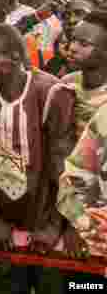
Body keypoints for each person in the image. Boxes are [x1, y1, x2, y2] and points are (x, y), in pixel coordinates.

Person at [0, 24, 76, 292]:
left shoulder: (50, 92)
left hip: (46, 215)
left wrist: (55, 225)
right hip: (3, 215)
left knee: (52, 284)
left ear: (15, 58)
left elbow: (62, 167)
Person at [58, 104, 107, 261]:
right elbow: (76, 176)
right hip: (98, 248)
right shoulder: (104, 118)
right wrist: (78, 223)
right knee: (84, 286)